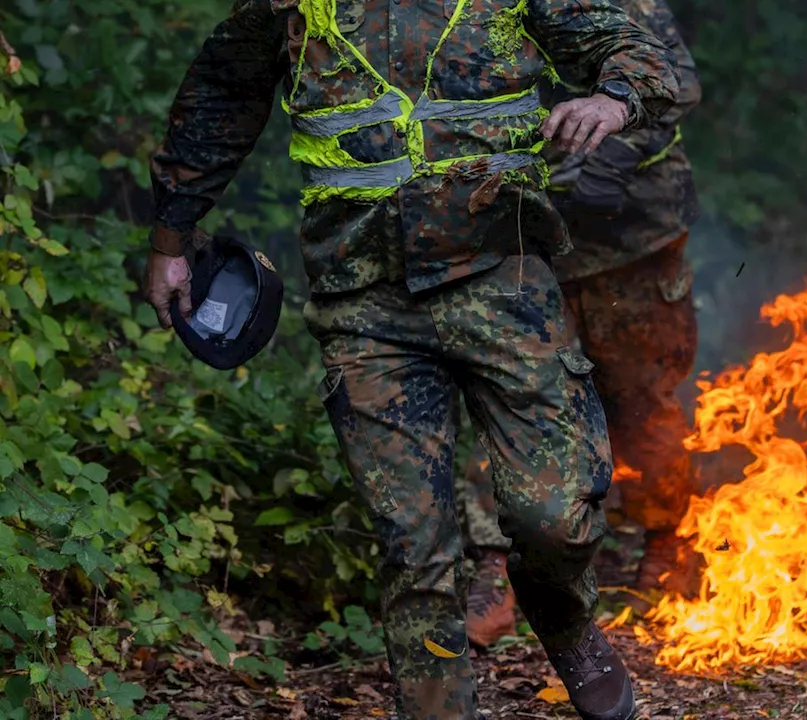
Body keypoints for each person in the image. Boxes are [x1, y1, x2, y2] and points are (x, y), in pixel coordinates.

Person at [143, 2, 677, 719]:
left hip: (503, 277)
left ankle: (567, 623)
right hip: (363, 302)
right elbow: (221, 91)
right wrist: (169, 242)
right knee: (413, 545)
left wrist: (613, 100)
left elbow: (635, 49)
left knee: (554, 515)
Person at [459, 0, 702, 650]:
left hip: (629, 233)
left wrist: (614, 155)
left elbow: (672, 84)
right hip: (515, 233)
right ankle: (501, 572)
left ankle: (667, 541)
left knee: (638, 394)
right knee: (506, 395)